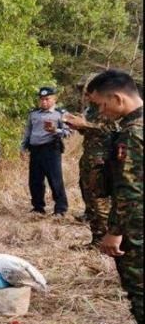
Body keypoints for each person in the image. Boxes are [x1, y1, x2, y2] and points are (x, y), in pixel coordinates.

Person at [86, 69, 143, 324]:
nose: (101, 111)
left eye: (101, 104)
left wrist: (115, 232)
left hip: (136, 225)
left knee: (138, 285)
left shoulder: (131, 137)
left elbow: (129, 191)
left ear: (118, 99)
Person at [63, 74, 117, 249]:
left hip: (102, 159)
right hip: (89, 157)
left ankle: (103, 240)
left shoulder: (108, 107)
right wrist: (78, 126)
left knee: (99, 200)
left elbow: (111, 129)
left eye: (87, 92)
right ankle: (96, 239)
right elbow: (91, 132)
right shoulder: (91, 110)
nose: (85, 96)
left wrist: (85, 124)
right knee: (89, 199)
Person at [20, 87, 72, 217]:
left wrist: (55, 130)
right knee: (35, 180)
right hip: (35, 149)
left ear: (54, 99)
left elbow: (69, 132)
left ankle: (60, 208)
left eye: (47, 99)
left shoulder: (61, 114)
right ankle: (38, 207)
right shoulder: (34, 113)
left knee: (55, 180)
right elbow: (28, 131)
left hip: (51, 149)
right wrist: (23, 147)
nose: (44, 102)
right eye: (42, 99)